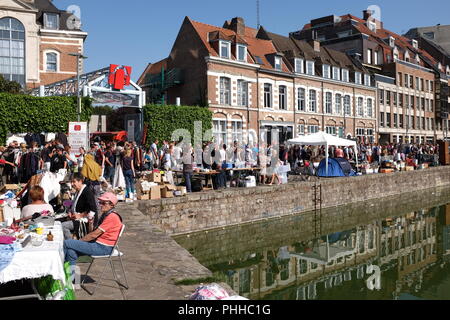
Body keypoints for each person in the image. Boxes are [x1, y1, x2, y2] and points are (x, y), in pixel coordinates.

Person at [64, 192, 123, 268]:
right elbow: (92, 232)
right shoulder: (106, 214)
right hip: (99, 244)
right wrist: (90, 223)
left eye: (103, 203)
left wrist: (79, 241)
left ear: (111, 205)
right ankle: (70, 278)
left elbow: (94, 235)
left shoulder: (112, 216)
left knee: (66, 243)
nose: (100, 205)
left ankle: (59, 271)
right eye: (100, 202)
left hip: (104, 247)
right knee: (70, 252)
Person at [62, 173, 98, 240]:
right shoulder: (78, 191)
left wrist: (80, 215)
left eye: (74, 182)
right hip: (77, 217)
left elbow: (92, 209)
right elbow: (74, 204)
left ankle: (70, 244)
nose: (72, 184)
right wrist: (70, 211)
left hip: (85, 221)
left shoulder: (87, 192)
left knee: (63, 226)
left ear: (80, 181)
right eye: (71, 182)